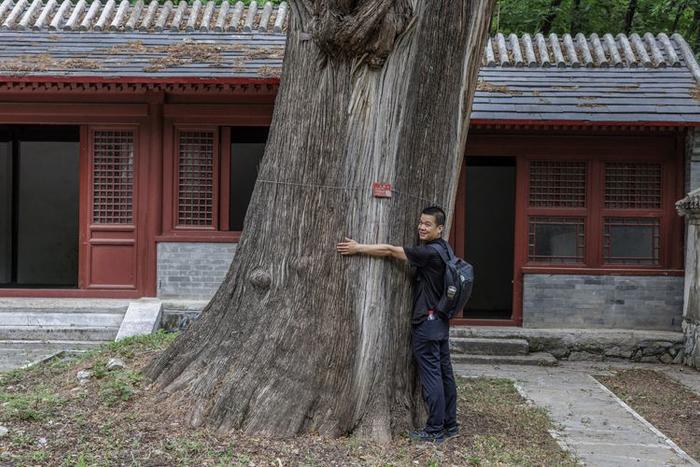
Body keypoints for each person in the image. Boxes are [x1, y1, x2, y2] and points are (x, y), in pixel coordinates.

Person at [336, 206, 458, 443]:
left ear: (440, 228)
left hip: (427, 323)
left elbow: (391, 251)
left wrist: (358, 247)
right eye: (420, 223)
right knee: (445, 374)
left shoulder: (429, 253)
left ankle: (434, 430)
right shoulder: (445, 250)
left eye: (428, 224)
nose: (422, 227)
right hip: (441, 322)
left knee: (432, 376)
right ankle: (450, 425)